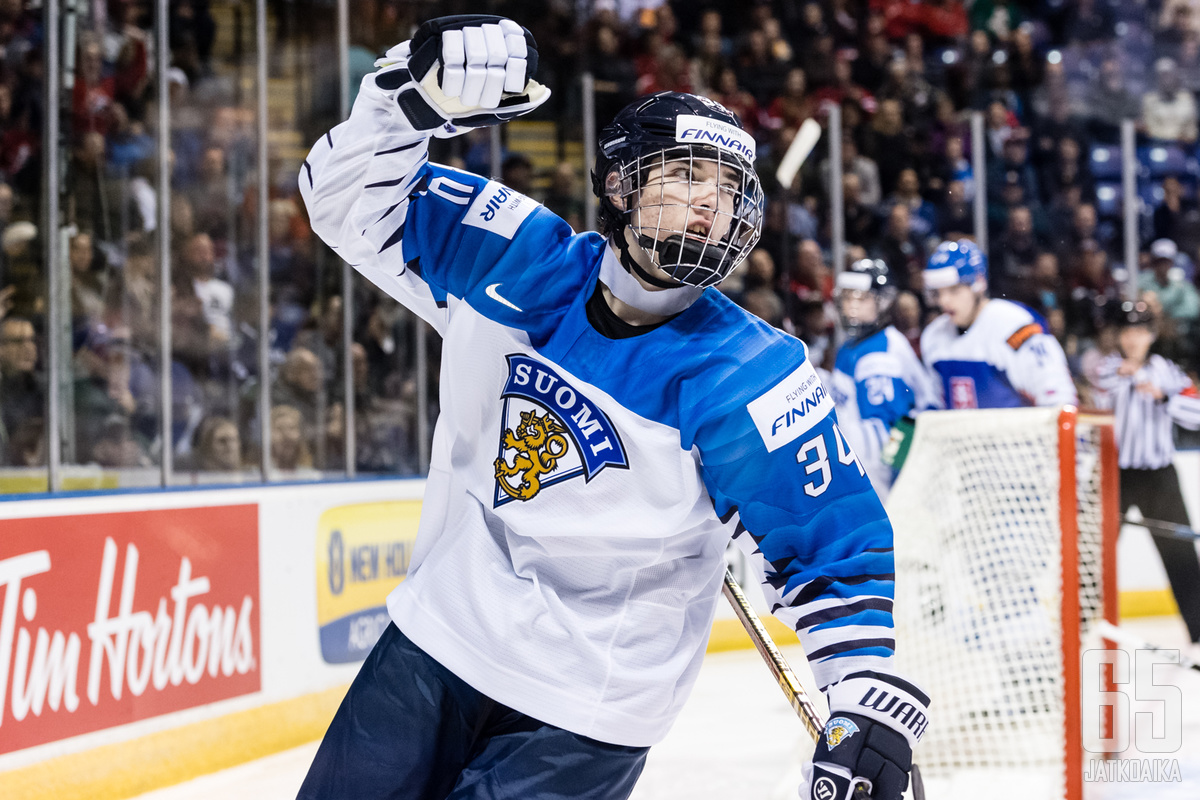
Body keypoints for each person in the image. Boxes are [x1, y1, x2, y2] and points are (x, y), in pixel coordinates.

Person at [296, 14, 928, 800]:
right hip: (439, 637)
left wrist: (865, 694)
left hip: (589, 706)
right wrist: (404, 94)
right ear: (623, 183)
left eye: (729, 190)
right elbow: (346, 204)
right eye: (687, 176)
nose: (711, 206)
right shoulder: (519, 258)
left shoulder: (751, 373)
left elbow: (831, 540)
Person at [1093, 301, 1200, 645]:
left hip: (1159, 476)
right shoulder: (1108, 368)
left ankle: (1199, 633)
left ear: (1151, 335)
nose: (1133, 339)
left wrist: (1165, 395)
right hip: (1117, 476)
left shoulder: (1167, 371)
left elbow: (1195, 412)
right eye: (1127, 331)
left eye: (1140, 331)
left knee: (1180, 555)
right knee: (1093, 555)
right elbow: (1105, 384)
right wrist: (1139, 378)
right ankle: (1072, 630)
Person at [920, 239, 1077, 409]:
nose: (944, 301)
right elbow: (931, 406)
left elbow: (1057, 396)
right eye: (938, 292)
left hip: (1018, 435)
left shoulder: (1014, 325)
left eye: (954, 290)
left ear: (978, 283)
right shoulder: (933, 335)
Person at [828, 259, 937, 500]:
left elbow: (896, 427)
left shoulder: (880, 356)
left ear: (883, 302)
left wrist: (895, 486)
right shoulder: (854, 345)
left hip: (886, 474)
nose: (852, 306)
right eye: (848, 298)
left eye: (862, 298)